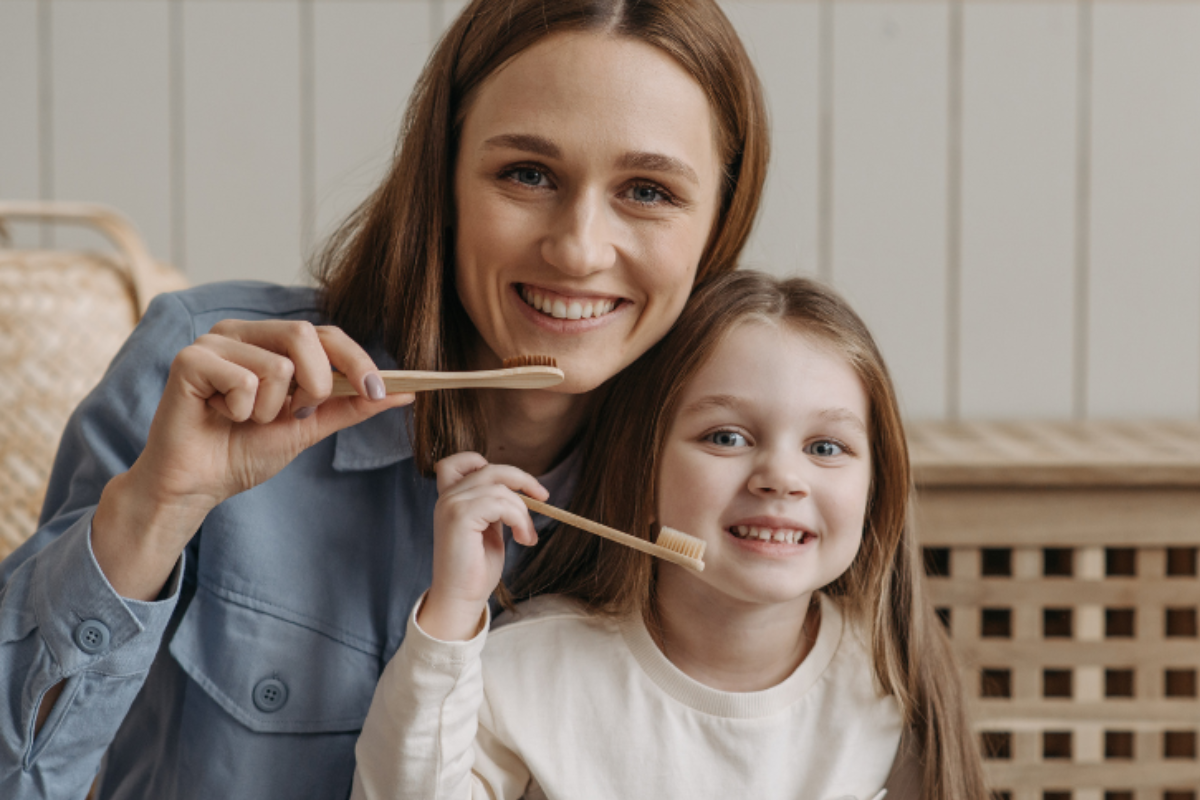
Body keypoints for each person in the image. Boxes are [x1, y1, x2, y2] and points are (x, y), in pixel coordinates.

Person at [0, 2, 768, 798]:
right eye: (527, 175)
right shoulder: (204, 375)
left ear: (720, 218)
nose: (578, 248)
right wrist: (156, 509)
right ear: (443, 180)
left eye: (648, 191)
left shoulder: (747, 486)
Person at [350, 271, 987, 800]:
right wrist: (455, 612)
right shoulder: (526, 671)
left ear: (877, 488)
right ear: (642, 461)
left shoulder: (890, 680)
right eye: (727, 437)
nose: (781, 478)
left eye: (826, 447)